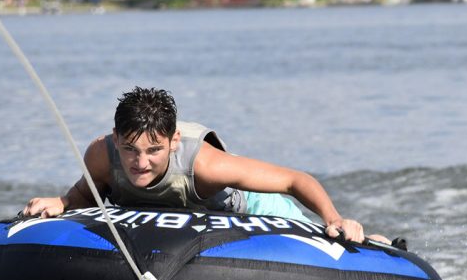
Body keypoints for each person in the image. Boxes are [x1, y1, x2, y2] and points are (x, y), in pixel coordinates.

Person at [23, 86, 369, 243]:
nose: (140, 163)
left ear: (173, 141)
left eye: (154, 150)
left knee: (330, 234)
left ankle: (373, 241)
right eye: (129, 149)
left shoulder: (205, 165)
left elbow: (294, 181)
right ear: (116, 138)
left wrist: (333, 218)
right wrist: (63, 203)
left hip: (252, 210)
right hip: (172, 223)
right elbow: (86, 193)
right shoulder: (101, 154)